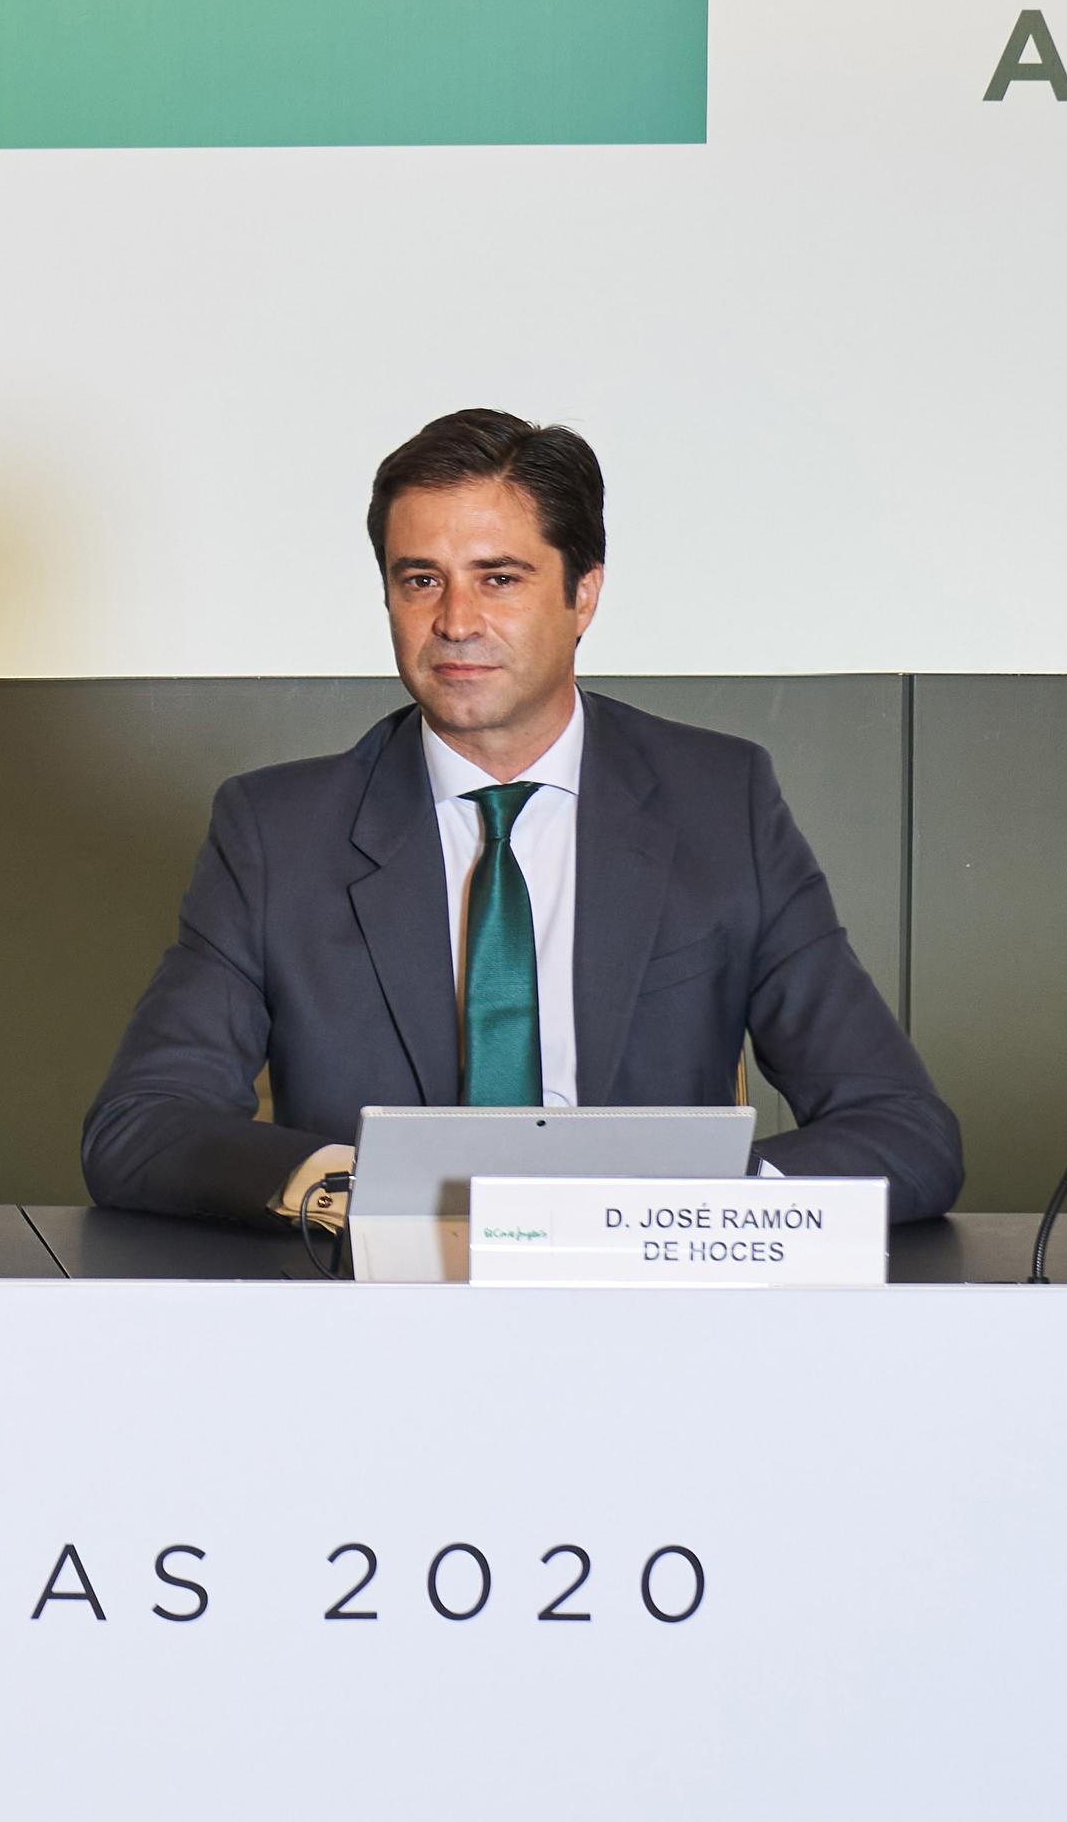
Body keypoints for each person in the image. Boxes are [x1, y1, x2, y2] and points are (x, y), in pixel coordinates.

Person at [82, 407, 962, 1226]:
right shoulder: (278, 831)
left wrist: (695, 1209)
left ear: (583, 594)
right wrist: (363, 1195)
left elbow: (903, 1130)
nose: (455, 622)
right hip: (376, 1318)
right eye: (420, 580)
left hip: (654, 1308)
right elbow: (139, 1126)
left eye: (498, 579)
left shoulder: (719, 802)